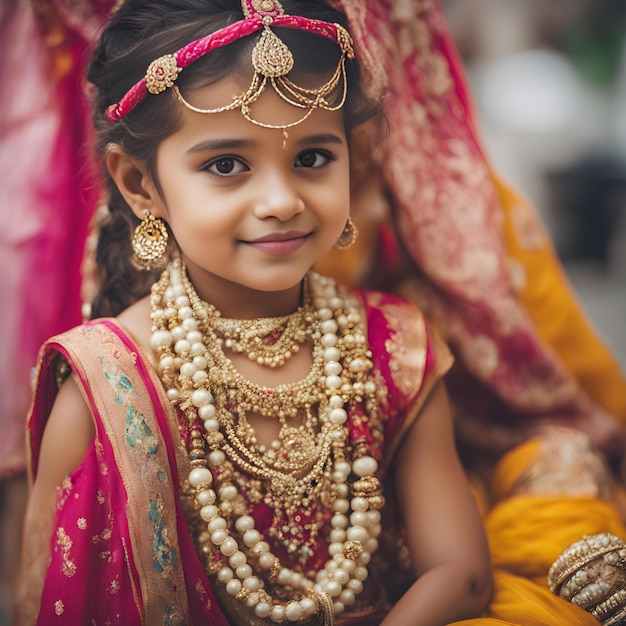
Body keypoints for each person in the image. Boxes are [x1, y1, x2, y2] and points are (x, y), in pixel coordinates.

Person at [14, 0, 626, 625]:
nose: (281, 201)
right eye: (227, 166)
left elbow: (460, 573)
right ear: (139, 185)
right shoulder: (104, 387)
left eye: (312, 159)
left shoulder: (396, 346)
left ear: (351, 161)